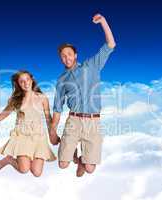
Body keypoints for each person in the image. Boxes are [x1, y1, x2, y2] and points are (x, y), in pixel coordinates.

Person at [49, 13, 116, 177]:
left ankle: (82, 161)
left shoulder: (91, 66)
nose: (66, 58)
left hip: (93, 121)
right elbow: (57, 108)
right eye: (63, 56)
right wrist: (52, 132)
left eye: (69, 54)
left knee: (90, 169)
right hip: (74, 120)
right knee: (63, 164)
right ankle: (76, 159)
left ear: (75, 55)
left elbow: (110, 44)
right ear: (61, 59)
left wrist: (103, 22)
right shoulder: (62, 80)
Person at [0, 70, 56, 177]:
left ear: (32, 80)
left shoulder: (42, 98)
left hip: (39, 137)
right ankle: (9, 160)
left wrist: (53, 135)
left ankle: (18, 160)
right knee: (24, 169)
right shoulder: (15, 100)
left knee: (37, 172)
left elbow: (48, 119)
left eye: (28, 80)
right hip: (22, 136)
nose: (26, 83)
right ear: (18, 84)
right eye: (22, 82)